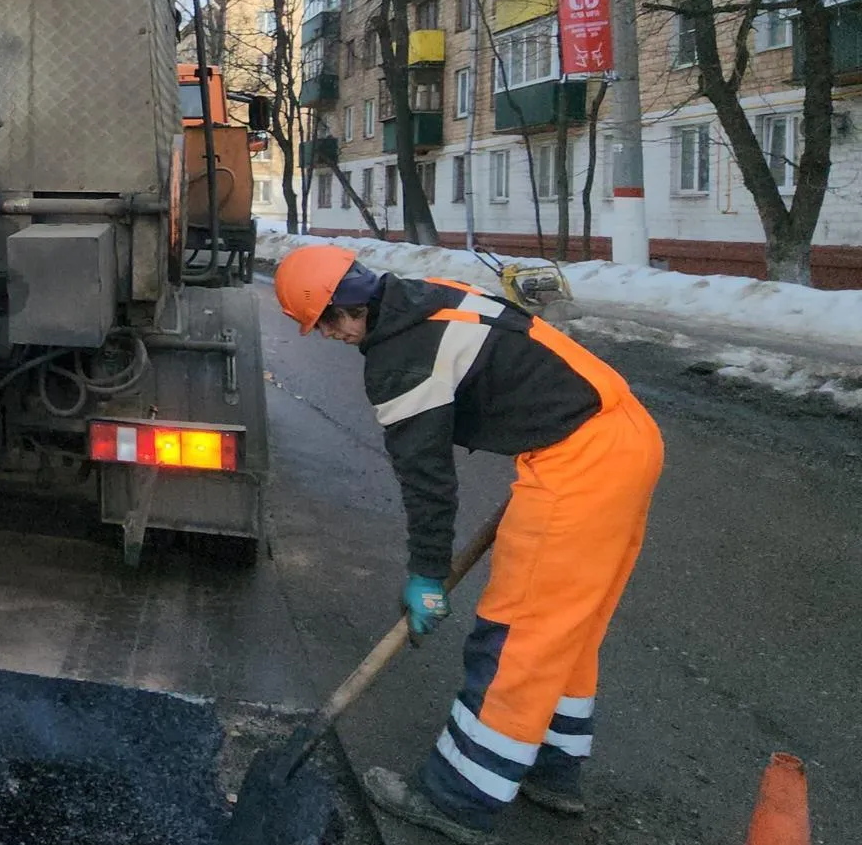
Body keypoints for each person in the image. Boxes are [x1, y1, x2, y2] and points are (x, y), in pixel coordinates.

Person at [273, 245, 663, 844]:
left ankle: (459, 797)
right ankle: (550, 770)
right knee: (568, 627)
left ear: (348, 303)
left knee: (516, 636)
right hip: (625, 435)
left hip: (579, 461)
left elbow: (427, 483)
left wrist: (428, 574)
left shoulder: (401, 362)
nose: (328, 337)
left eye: (326, 323)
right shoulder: (422, 293)